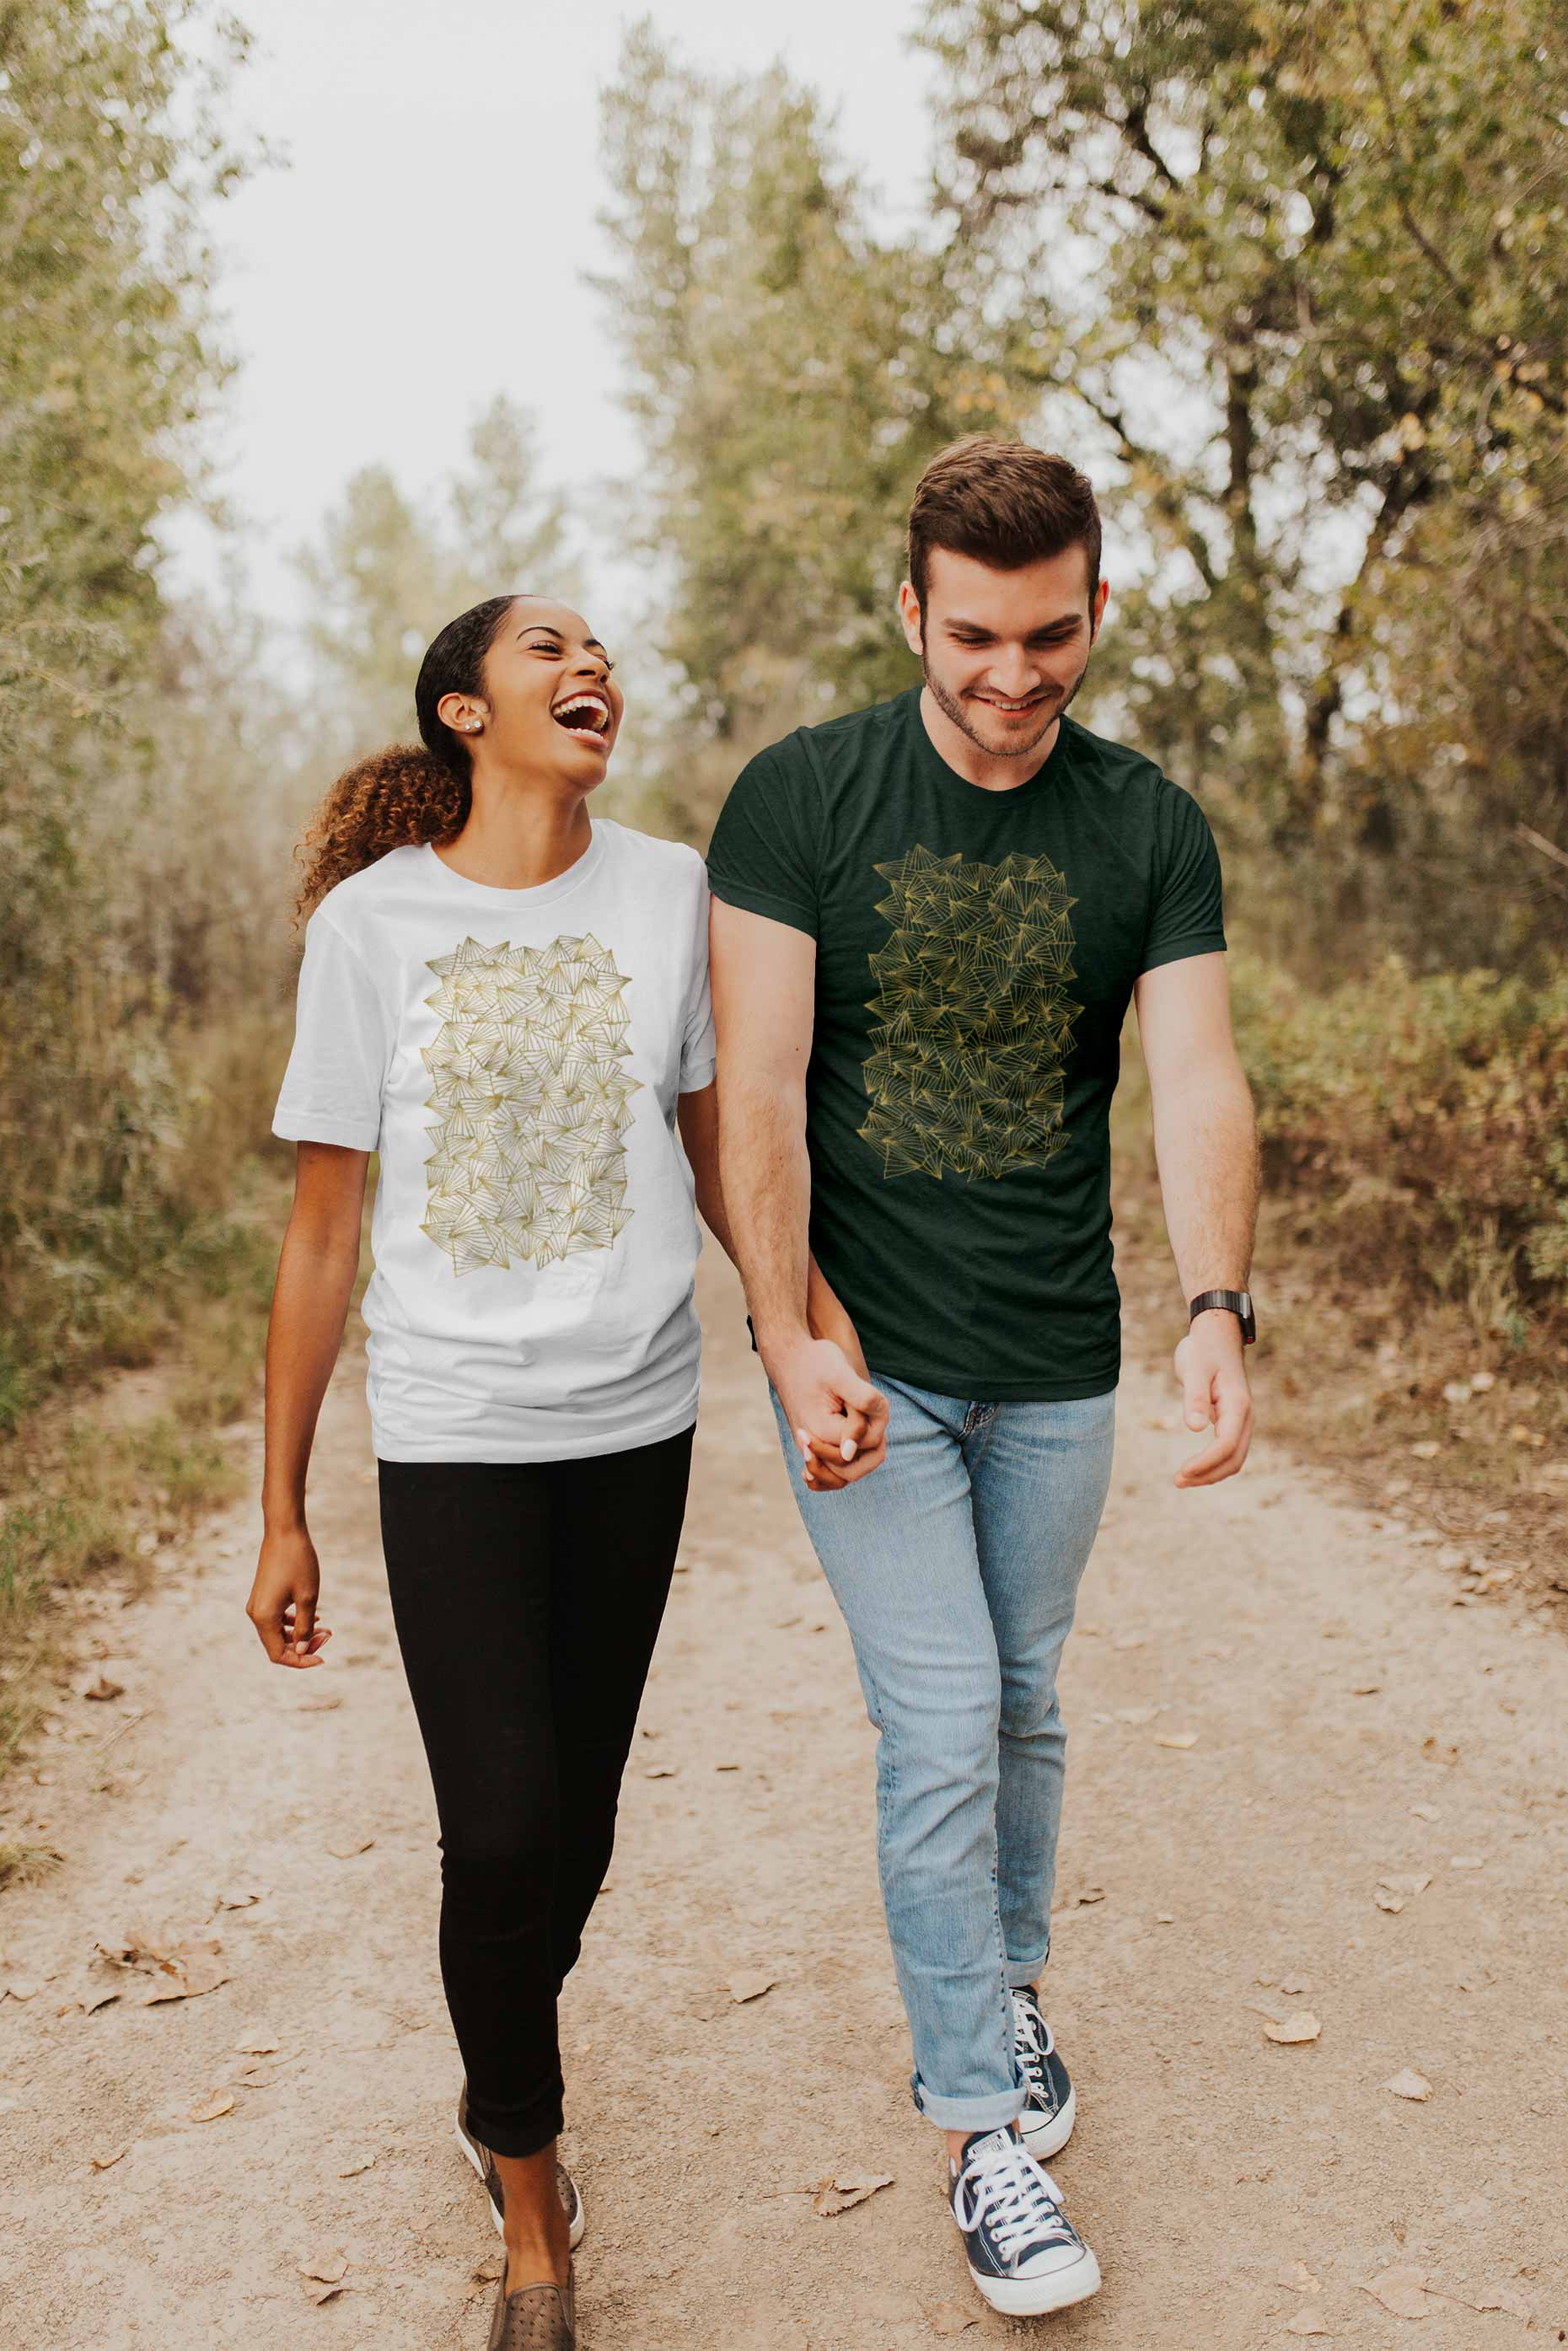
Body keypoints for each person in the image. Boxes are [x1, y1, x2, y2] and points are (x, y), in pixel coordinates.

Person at [246, 593, 852, 2351]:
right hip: (448, 1434)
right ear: (461, 711)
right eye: (545, 651)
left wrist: (805, 1328)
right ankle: (527, 2186)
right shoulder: (374, 929)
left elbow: (717, 1136)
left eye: (600, 648)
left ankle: (495, 2034)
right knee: (498, 1826)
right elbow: (319, 1238)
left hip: (634, 1424)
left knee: (568, 1833)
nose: (590, 668)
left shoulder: (674, 890)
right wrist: (280, 1508)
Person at [706, 437, 1259, 2318]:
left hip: (1058, 1368)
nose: (1012, 675)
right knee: (940, 1723)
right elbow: (757, 1095)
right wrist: (787, 1338)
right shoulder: (802, 799)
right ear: (913, 611)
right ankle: (979, 2136)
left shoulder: (1148, 824)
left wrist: (1217, 1305)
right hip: (870, 1369)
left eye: (1049, 635)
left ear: (1096, 609)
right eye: (974, 637)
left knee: (1022, 1704)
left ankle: (1005, 1990)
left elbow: (1194, 1075)